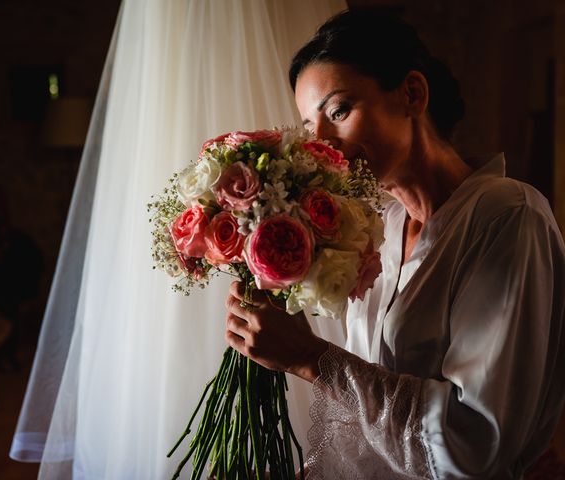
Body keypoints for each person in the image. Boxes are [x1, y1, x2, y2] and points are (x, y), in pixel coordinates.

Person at [225, 10, 565, 479]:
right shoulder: (375, 229)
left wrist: (312, 359)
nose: (322, 145)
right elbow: (369, 432)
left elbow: (473, 446)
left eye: (339, 111)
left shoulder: (507, 216)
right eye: (310, 128)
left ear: (412, 94)